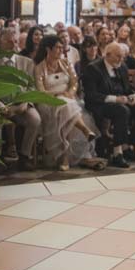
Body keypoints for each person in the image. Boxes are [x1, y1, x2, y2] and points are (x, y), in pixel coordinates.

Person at [34, 34, 103, 171]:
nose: (61, 50)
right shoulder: (39, 68)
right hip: (48, 101)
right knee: (65, 106)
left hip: (68, 99)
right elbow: (41, 91)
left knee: (66, 109)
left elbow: (74, 82)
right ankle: (84, 129)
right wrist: (56, 95)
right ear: (48, 49)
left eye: (62, 47)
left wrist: (71, 93)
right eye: (58, 48)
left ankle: (65, 156)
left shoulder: (66, 63)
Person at [82, 41, 135, 168]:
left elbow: (127, 88)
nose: (121, 59)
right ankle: (117, 153)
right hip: (100, 104)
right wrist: (115, 99)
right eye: (118, 56)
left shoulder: (122, 66)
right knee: (122, 111)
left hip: (122, 101)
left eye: (122, 56)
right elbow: (91, 95)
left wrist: (134, 95)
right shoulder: (93, 68)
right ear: (107, 55)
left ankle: (127, 145)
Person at [0, 27, 41, 171]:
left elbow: (31, 87)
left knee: (35, 119)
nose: (13, 45)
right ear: (0, 42)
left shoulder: (27, 62)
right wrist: (0, 106)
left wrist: (24, 104)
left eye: (15, 41)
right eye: (9, 41)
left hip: (21, 103)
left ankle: (24, 156)